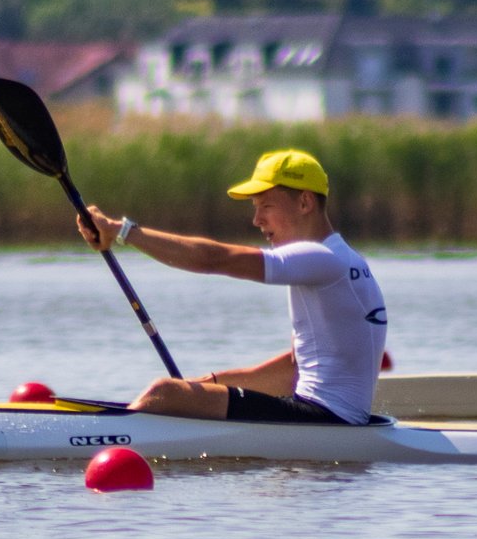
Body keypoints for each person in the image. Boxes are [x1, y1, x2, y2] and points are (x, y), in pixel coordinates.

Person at [76, 149, 388, 424]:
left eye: (265, 206)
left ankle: (103, 438)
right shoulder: (342, 260)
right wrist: (208, 384)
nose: (256, 220)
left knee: (163, 393)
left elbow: (215, 259)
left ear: (305, 201)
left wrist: (122, 231)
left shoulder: (322, 257)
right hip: (330, 420)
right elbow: (290, 371)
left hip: (324, 420)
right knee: (179, 394)